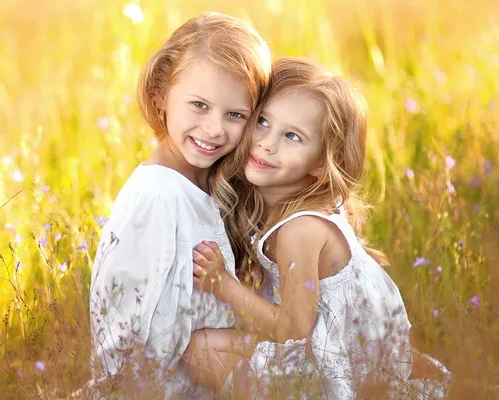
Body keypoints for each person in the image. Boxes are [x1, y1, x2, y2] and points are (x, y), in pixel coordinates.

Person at [183, 57, 416, 399]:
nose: (267, 142)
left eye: (292, 136)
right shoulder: (286, 203)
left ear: (322, 164)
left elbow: (294, 327)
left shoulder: (299, 230)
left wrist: (223, 286)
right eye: (262, 121)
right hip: (345, 349)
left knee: (202, 350)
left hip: (340, 366)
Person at [88, 12, 271, 398]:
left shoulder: (207, 184)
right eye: (199, 105)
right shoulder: (156, 196)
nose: (214, 129)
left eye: (235, 115)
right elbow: (122, 332)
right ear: (160, 95)